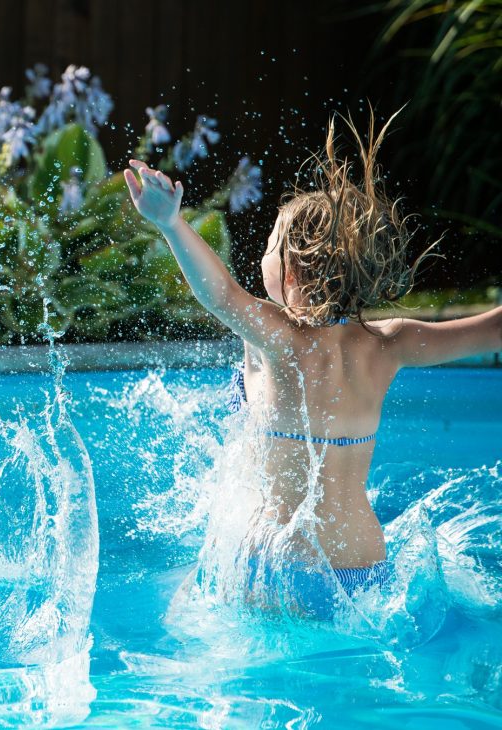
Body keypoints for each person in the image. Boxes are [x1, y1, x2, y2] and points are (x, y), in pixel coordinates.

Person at [124, 113, 502, 616]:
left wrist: (171, 223)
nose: (262, 257)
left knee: (183, 615)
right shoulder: (390, 343)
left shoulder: (279, 339)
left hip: (283, 568)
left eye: (269, 247)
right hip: (364, 568)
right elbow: (493, 330)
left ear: (292, 268)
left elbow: (219, 295)